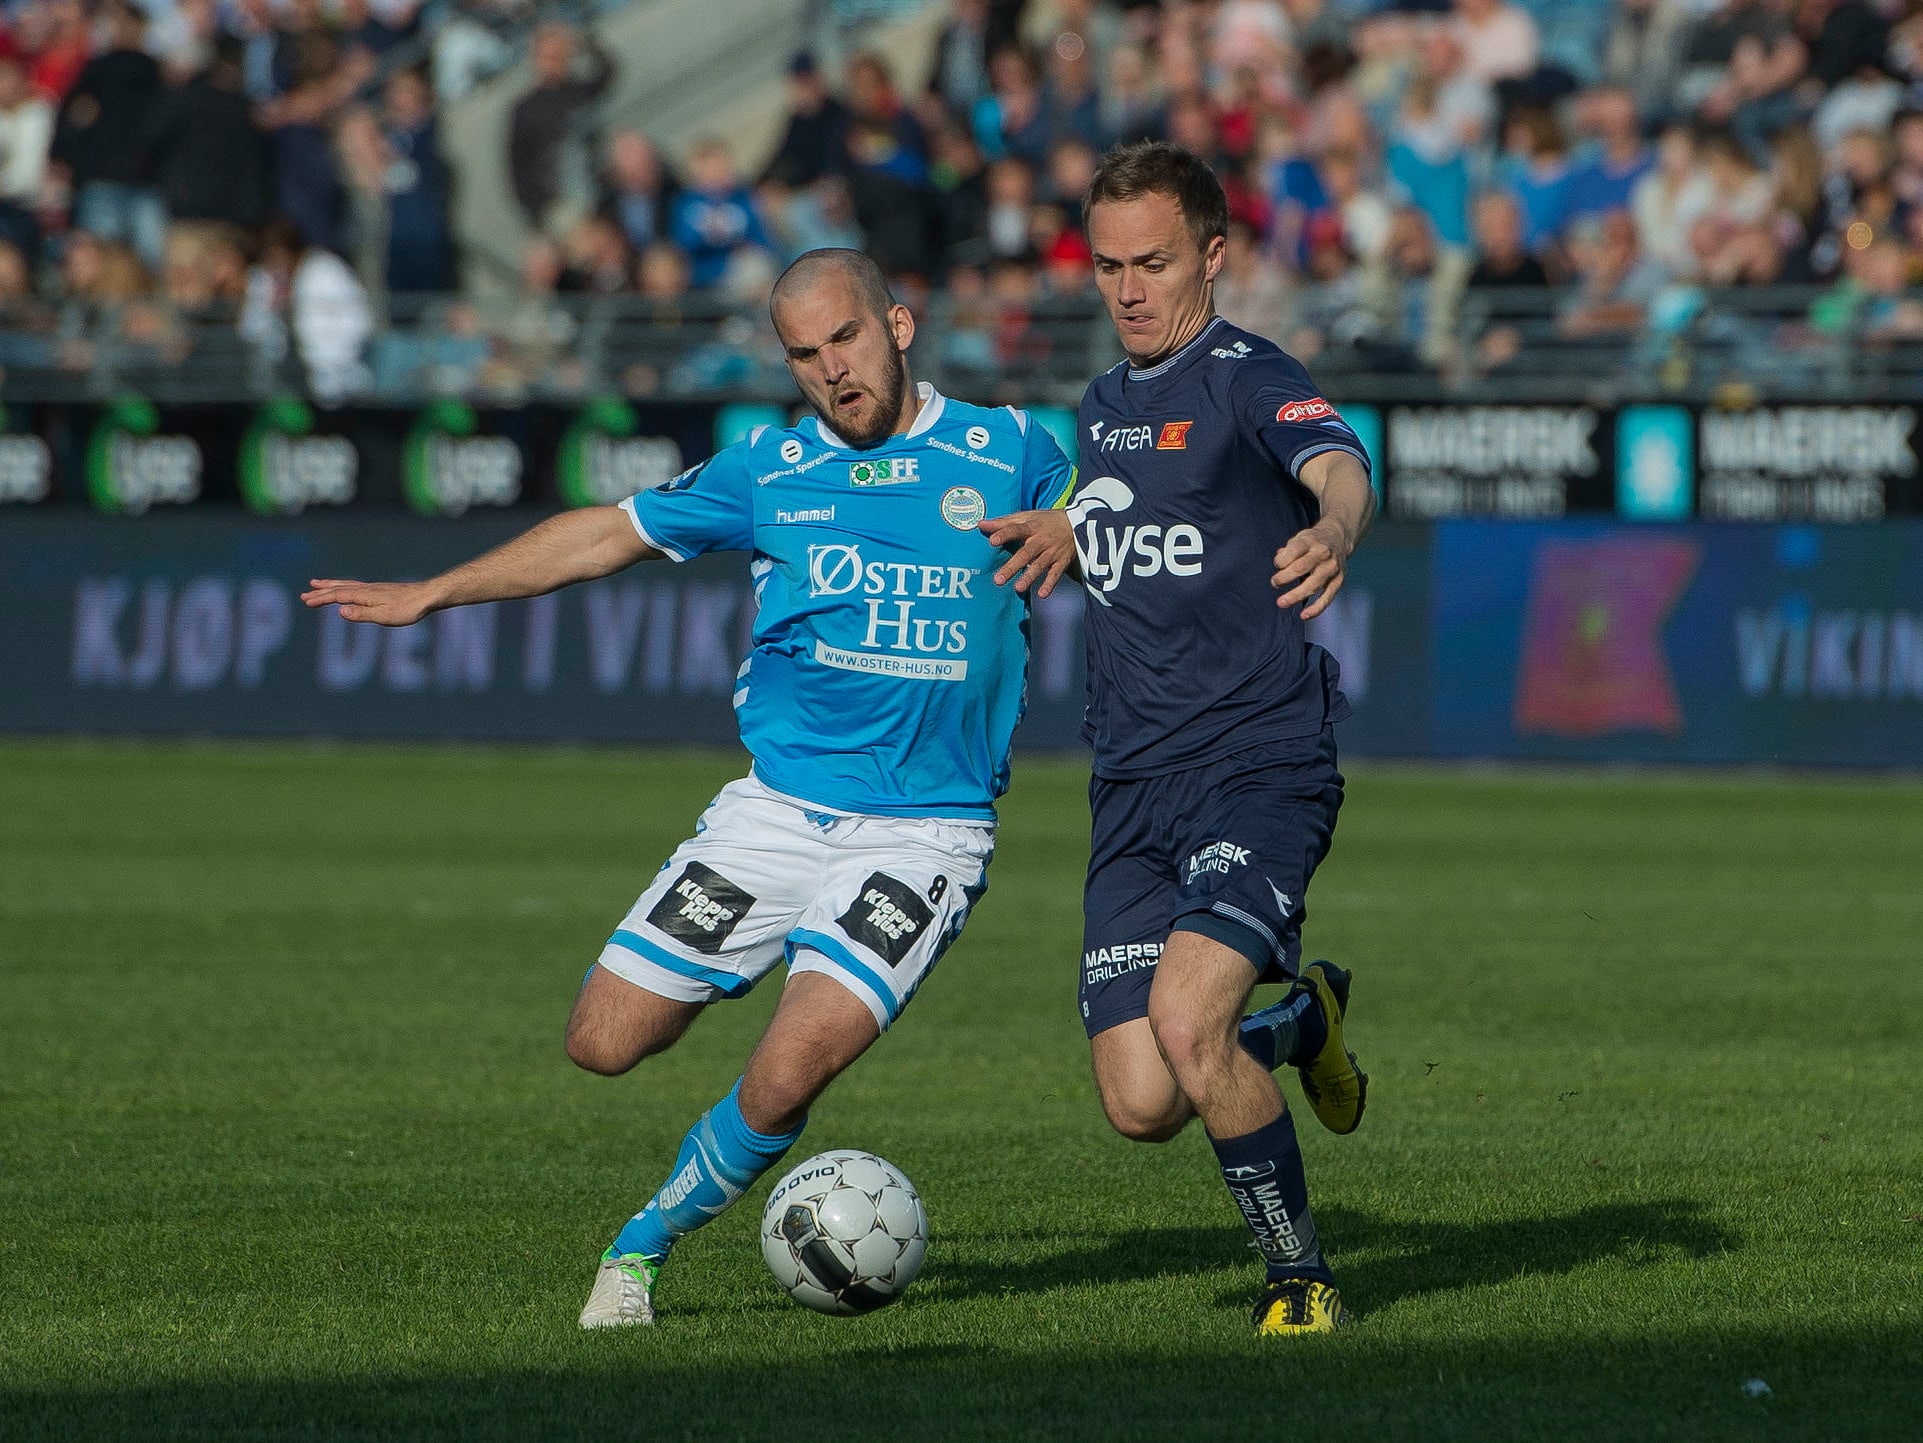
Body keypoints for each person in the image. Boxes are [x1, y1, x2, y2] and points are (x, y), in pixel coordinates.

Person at [301, 248, 1076, 1330]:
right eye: (803, 354)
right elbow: (604, 536)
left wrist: (1085, 527)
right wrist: (435, 592)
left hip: (922, 835)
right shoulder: (768, 470)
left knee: (783, 1077)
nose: (831, 369)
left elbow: (1138, 515)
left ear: (898, 327)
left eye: (846, 338)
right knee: (602, 1041)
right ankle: (736, 993)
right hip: (772, 817)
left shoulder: (1012, 449)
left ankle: (639, 1250)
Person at [981, 141, 1374, 1336]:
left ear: (1212, 256)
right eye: (1108, 267)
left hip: (1258, 763)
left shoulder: (1248, 374)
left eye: (1152, 263)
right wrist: (1068, 528)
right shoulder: (1103, 405)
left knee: (1190, 1023)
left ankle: (1299, 1280)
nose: (1128, 289)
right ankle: (1300, 1022)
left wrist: (1335, 528)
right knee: (1144, 1102)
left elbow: (1337, 462)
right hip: (1132, 785)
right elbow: (1135, 512)